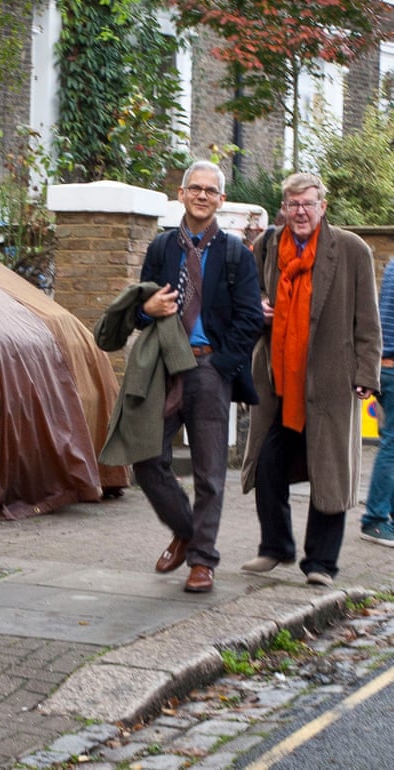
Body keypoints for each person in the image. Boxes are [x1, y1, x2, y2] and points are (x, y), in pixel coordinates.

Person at [241, 172, 381, 587]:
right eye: (293, 205)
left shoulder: (352, 250)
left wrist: (365, 374)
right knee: (266, 464)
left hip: (331, 381)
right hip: (279, 381)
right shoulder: (266, 247)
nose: (300, 212)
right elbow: (251, 300)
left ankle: (321, 563)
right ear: (284, 209)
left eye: (308, 204)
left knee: (329, 470)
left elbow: (368, 323)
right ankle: (276, 548)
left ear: (323, 206)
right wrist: (260, 308)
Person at [132, 159, 263, 593]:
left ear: (221, 200)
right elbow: (139, 306)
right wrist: (146, 311)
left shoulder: (235, 255)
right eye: (195, 188)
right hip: (165, 368)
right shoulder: (161, 249)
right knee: (147, 458)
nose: (202, 195)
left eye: (211, 190)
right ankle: (187, 531)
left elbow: (249, 319)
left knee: (209, 471)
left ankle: (203, 560)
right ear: (182, 194)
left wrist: (222, 367)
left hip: (211, 367)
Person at [361, 258, 394, 546]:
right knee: (391, 444)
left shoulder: (393, 263)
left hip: (383, 364)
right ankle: (375, 519)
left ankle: (386, 514)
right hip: (392, 365)